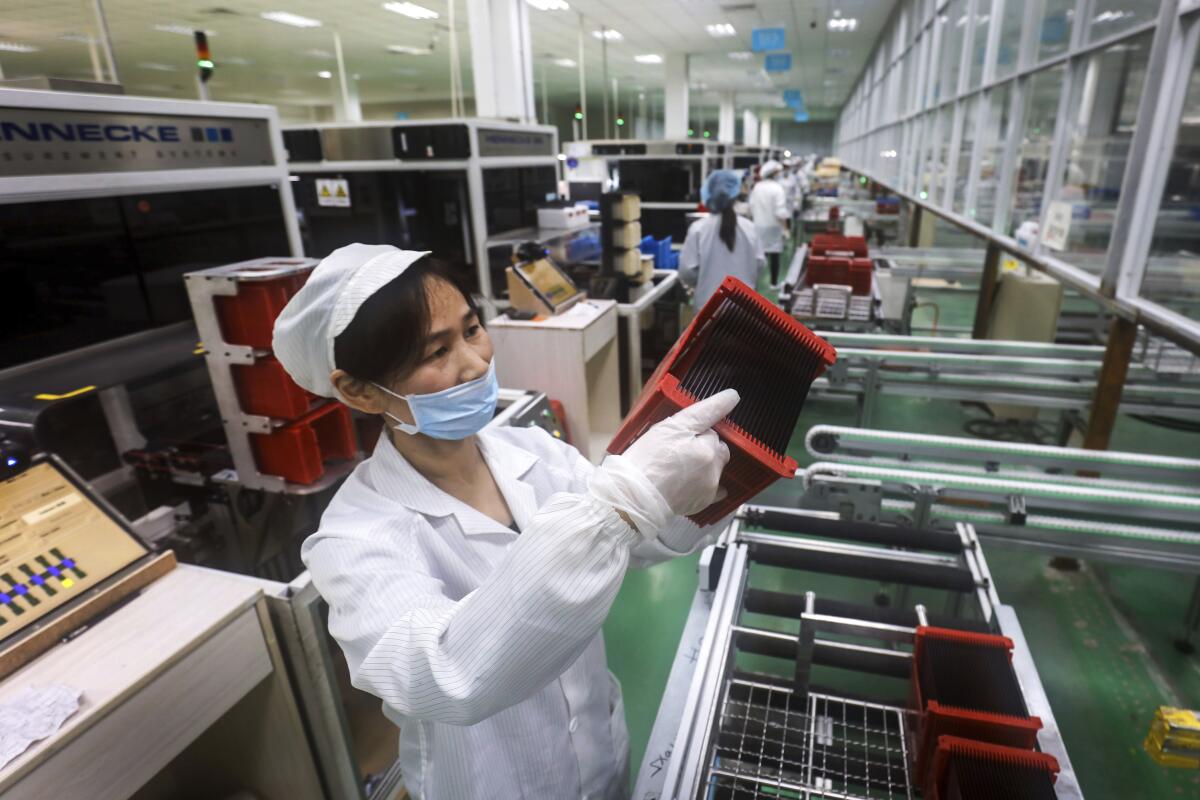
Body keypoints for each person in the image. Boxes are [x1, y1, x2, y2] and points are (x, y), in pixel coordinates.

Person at [271, 243, 739, 800]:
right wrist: (624, 499)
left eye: (471, 330)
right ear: (358, 390)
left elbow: (636, 543)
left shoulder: (533, 451)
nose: (475, 362)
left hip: (600, 751)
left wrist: (696, 490)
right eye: (435, 352)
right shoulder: (353, 537)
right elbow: (445, 674)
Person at [679, 170, 765, 308]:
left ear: (708, 194)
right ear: (735, 195)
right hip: (745, 310)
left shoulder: (698, 230)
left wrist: (704, 281)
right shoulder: (750, 228)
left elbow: (687, 272)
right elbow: (759, 265)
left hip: (709, 310)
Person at [750, 159, 791, 287]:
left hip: (758, 226)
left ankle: (753, 283)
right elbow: (780, 212)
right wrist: (786, 228)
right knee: (775, 255)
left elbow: (751, 206)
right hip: (773, 227)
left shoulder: (757, 187)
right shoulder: (777, 188)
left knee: (760, 256)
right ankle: (773, 283)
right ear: (774, 174)